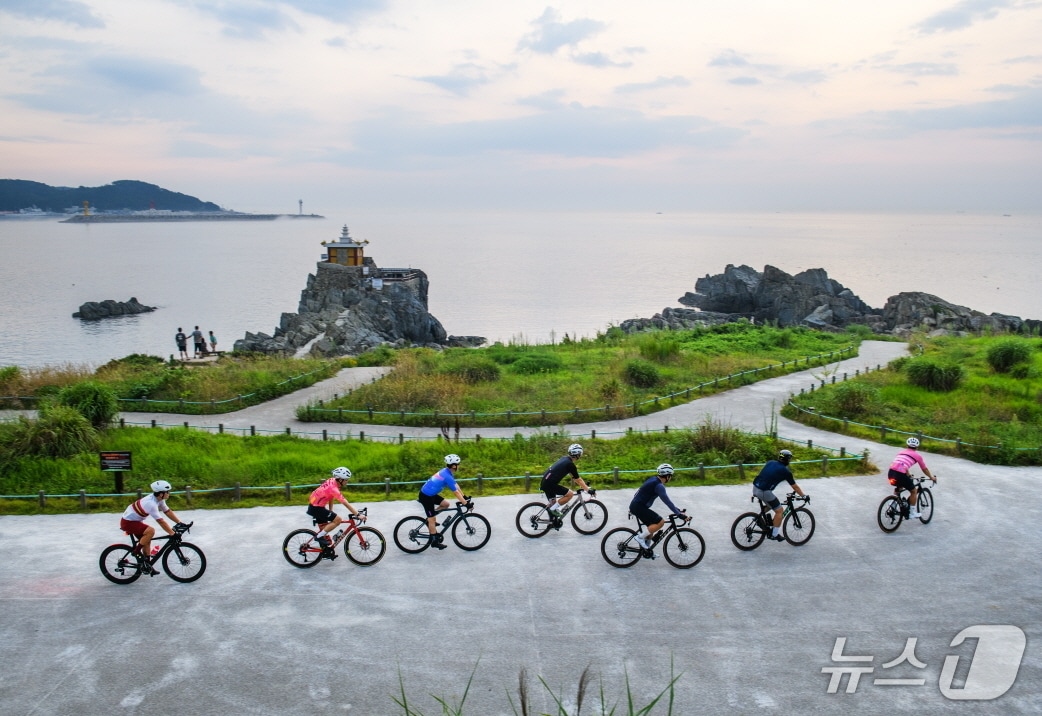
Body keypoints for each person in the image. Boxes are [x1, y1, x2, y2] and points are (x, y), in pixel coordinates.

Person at [120, 480, 185, 573]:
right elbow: (161, 522)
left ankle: (147, 565)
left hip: (135, 521)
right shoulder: (151, 504)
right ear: (160, 494)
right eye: (167, 492)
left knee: (147, 541)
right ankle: (136, 551)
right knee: (150, 531)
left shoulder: (159, 500)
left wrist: (180, 522)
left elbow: (167, 511)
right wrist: (172, 533)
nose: (168, 493)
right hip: (128, 522)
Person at [630, 463, 689, 549]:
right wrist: (678, 514)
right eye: (670, 476)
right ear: (667, 476)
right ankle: (639, 538)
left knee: (652, 526)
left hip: (636, 506)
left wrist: (678, 510)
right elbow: (667, 502)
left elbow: (638, 493)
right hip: (639, 507)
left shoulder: (654, 480)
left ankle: (647, 550)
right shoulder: (659, 486)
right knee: (660, 522)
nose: (670, 478)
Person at [752, 449, 807, 541]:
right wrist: (804, 496)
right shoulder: (786, 471)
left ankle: (758, 518)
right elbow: (795, 487)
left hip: (755, 487)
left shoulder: (770, 462)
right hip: (764, 491)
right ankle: (774, 534)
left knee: (771, 505)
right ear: (787, 459)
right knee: (779, 510)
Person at [418, 454, 468, 550]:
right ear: (454, 466)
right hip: (426, 496)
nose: (459, 465)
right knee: (432, 519)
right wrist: (466, 503)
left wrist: (464, 496)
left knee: (446, 504)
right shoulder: (447, 476)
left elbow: (456, 485)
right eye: (458, 464)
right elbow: (456, 493)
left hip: (430, 494)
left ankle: (430, 519)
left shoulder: (447, 472)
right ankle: (434, 541)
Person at [308, 467, 364, 550]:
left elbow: (330, 496)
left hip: (315, 505)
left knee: (325, 531)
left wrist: (330, 511)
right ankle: (318, 537)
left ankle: (325, 551)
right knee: (338, 520)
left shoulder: (332, 480)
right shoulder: (334, 488)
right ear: (340, 480)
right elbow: (345, 503)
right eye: (346, 480)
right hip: (316, 507)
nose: (347, 482)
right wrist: (358, 514)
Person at [888, 437, 936, 519]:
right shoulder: (917, 456)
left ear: (907, 445)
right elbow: (924, 469)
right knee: (913, 491)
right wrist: (931, 477)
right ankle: (911, 513)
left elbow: (902, 465)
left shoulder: (900, 452)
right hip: (900, 474)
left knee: (900, 486)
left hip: (891, 472)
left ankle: (893, 503)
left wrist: (909, 475)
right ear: (917, 447)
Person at [540, 443, 590, 518]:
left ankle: (552, 523)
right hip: (550, 484)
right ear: (578, 454)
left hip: (545, 482)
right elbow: (578, 480)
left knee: (553, 505)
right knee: (570, 494)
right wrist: (588, 490)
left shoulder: (564, 459)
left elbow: (574, 478)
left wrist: (584, 486)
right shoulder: (570, 464)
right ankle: (552, 510)